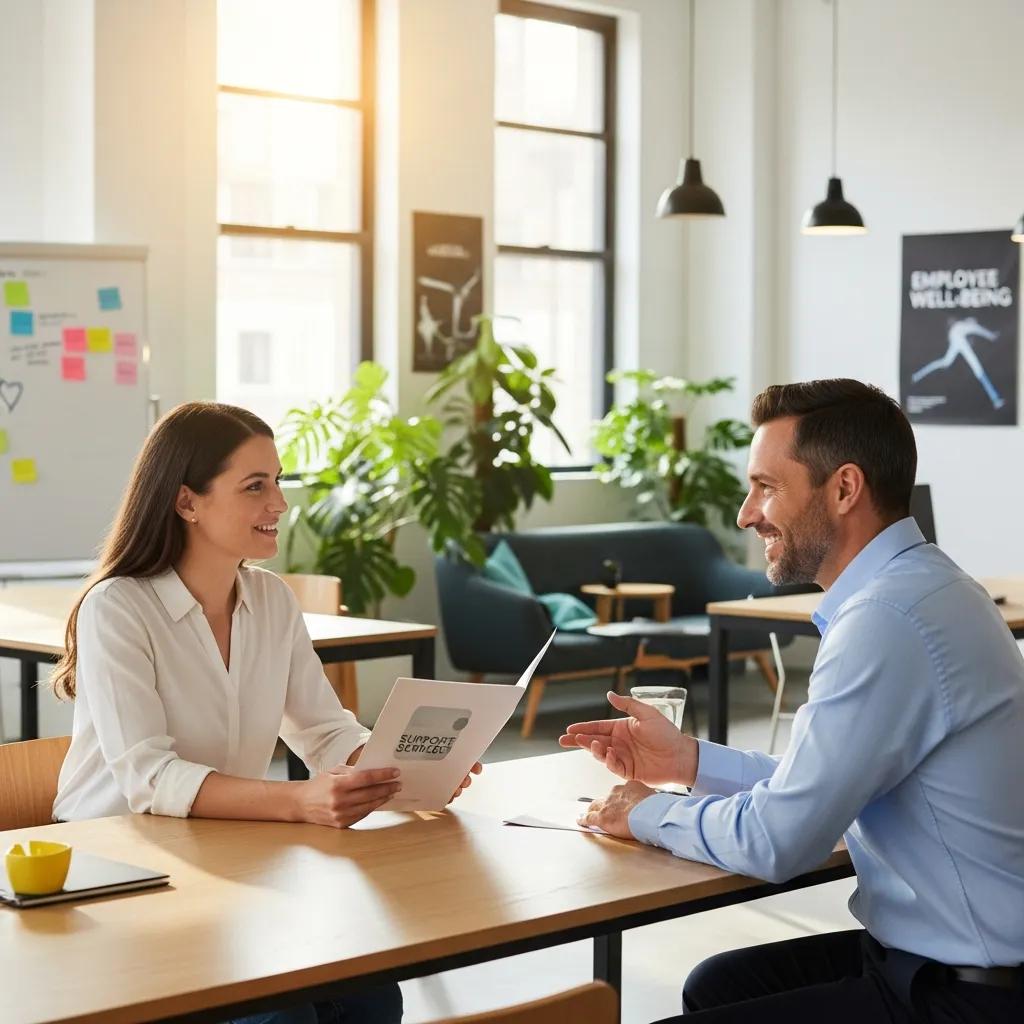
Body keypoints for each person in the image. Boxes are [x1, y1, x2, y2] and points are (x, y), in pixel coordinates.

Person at [561, 380, 1024, 1022]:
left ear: (843, 489)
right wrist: (688, 763)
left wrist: (643, 813)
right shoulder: (925, 587)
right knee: (718, 985)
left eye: (767, 486)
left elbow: (780, 840)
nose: (748, 514)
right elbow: (822, 786)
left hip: (967, 995)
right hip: (937, 958)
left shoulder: (888, 619)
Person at [52, 402, 481, 1024]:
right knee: (285, 1017)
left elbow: (323, 729)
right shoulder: (117, 607)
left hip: (224, 854)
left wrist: (400, 769)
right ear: (186, 502)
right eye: (255, 486)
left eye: (278, 481)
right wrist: (301, 802)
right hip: (118, 867)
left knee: (371, 997)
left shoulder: (270, 599)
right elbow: (150, 778)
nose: (279, 503)